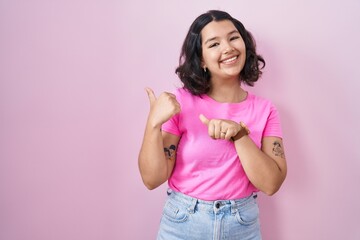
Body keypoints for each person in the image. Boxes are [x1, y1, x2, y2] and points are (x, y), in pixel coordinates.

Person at [138, 9, 287, 240]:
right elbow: (152, 179)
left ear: (245, 45)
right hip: (183, 224)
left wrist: (239, 136)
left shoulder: (266, 110)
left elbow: (271, 184)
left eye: (233, 37)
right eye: (214, 44)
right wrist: (153, 124)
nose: (228, 48)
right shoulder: (181, 103)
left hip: (242, 225)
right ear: (201, 60)